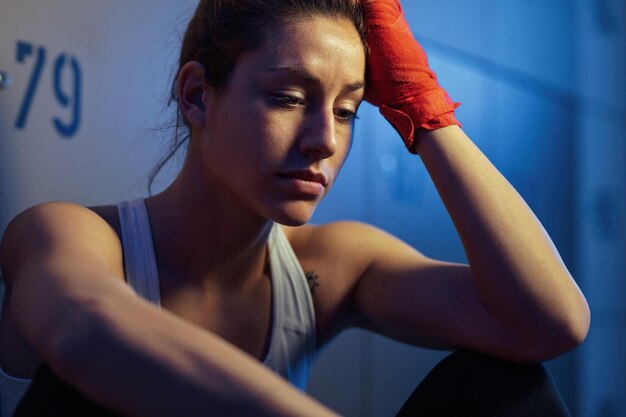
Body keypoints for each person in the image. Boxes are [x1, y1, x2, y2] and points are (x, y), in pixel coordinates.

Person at [0, 0, 590, 416]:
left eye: (345, 110)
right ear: (197, 96)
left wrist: (425, 109)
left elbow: (549, 324)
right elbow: (82, 330)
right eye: (288, 97)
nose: (324, 141)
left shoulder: (331, 269)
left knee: (508, 386)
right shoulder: (76, 234)